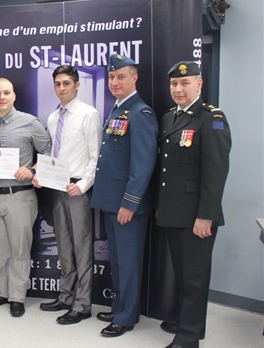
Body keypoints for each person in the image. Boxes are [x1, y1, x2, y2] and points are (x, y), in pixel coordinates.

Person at [156, 61, 231, 348]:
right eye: (174, 84)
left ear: (198, 84)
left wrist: (206, 216)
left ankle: (188, 338)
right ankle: (184, 321)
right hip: (174, 212)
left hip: (197, 217)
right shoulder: (170, 117)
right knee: (183, 274)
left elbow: (216, 172)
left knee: (195, 279)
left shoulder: (211, 118)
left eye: (184, 83)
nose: (178, 88)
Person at [89, 54, 158, 337]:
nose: (115, 82)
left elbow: (143, 165)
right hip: (111, 202)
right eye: (112, 77)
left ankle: (126, 317)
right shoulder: (118, 110)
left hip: (127, 206)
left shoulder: (140, 113)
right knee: (117, 260)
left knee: (128, 262)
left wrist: (130, 202)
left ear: (134, 78)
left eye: (121, 76)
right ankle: (121, 307)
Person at [0, 78, 51, 317]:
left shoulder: (30, 123)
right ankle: (3, 292)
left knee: (19, 250)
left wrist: (34, 170)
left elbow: (49, 152)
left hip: (20, 196)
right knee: (0, 249)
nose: (2, 97)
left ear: (14, 96)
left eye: (6, 93)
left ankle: (17, 297)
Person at [36, 65, 102, 324]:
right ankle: (65, 296)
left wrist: (84, 185)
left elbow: (96, 156)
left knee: (82, 247)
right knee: (63, 245)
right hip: (57, 185)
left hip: (77, 189)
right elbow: (55, 154)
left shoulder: (89, 114)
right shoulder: (54, 118)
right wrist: (43, 174)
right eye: (57, 84)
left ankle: (82, 304)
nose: (61, 88)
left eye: (66, 83)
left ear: (77, 85)